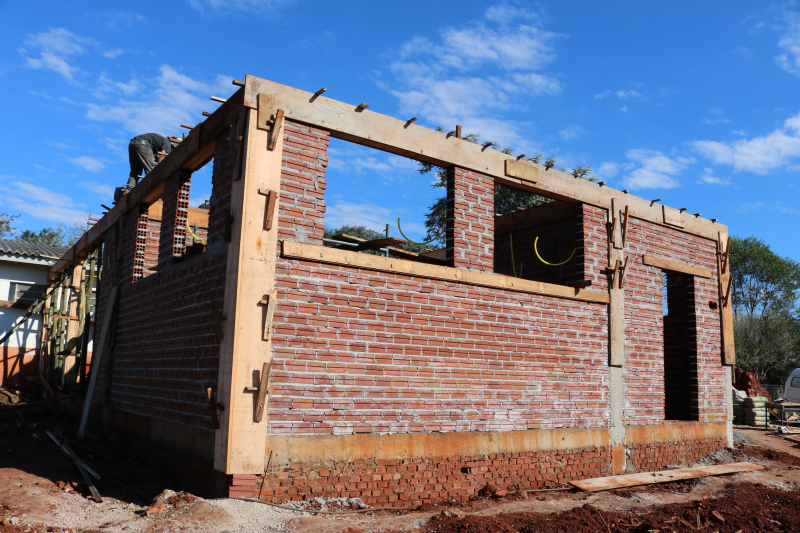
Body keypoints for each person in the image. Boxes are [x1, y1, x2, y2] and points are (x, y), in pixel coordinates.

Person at [115, 133, 175, 202]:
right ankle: (155, 191)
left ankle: (129, 189)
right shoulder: (167, 143)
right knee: (152, 171)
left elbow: (151, 157)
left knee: (135, 171)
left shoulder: (158, 141)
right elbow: (160, 159)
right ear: (173, 146)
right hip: (143, 144)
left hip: (133, 143)